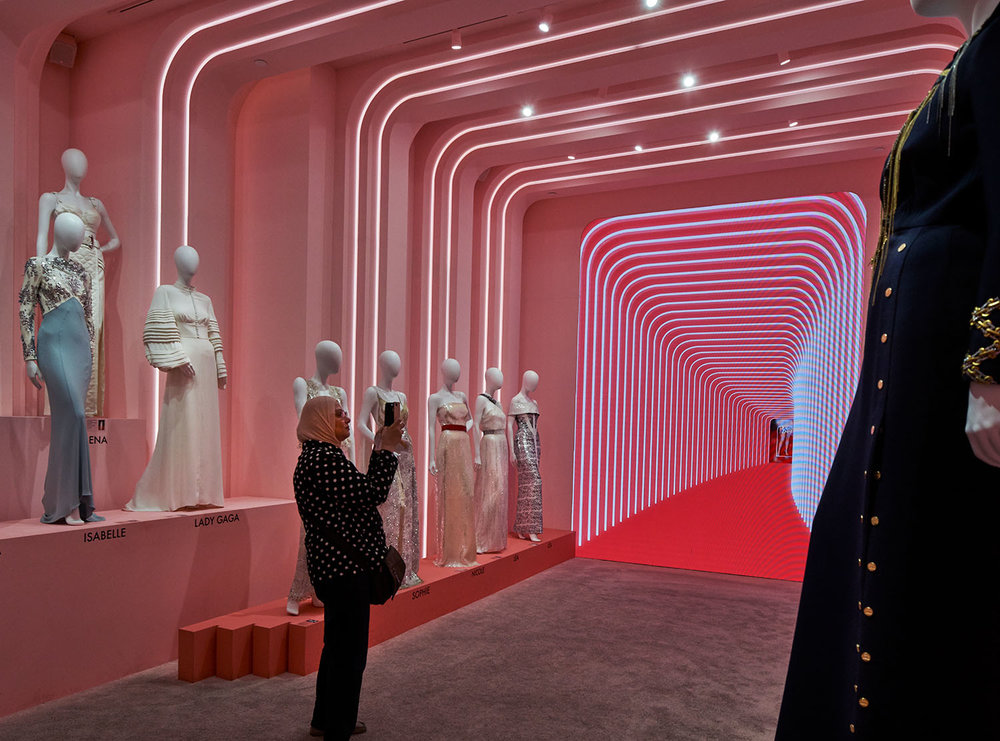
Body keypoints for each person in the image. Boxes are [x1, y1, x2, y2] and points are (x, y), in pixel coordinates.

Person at [775, 1, 1000, 738]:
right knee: (870, 546)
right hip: (906, 370)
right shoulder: (963, 64)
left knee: (925, 558)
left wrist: (991, 366)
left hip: (944, 365)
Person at [294, 394, 405, 739]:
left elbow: (357, 497)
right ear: (320, 422)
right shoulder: (323, 460)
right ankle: (337, 728)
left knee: (337, 648)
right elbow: (373, 491)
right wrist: (385, 448)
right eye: (338, 413)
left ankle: (325, 719)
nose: (345, 418)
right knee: (349, 654)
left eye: (344, 412)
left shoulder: (320, 458)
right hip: (344, 572)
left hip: (336, 570)